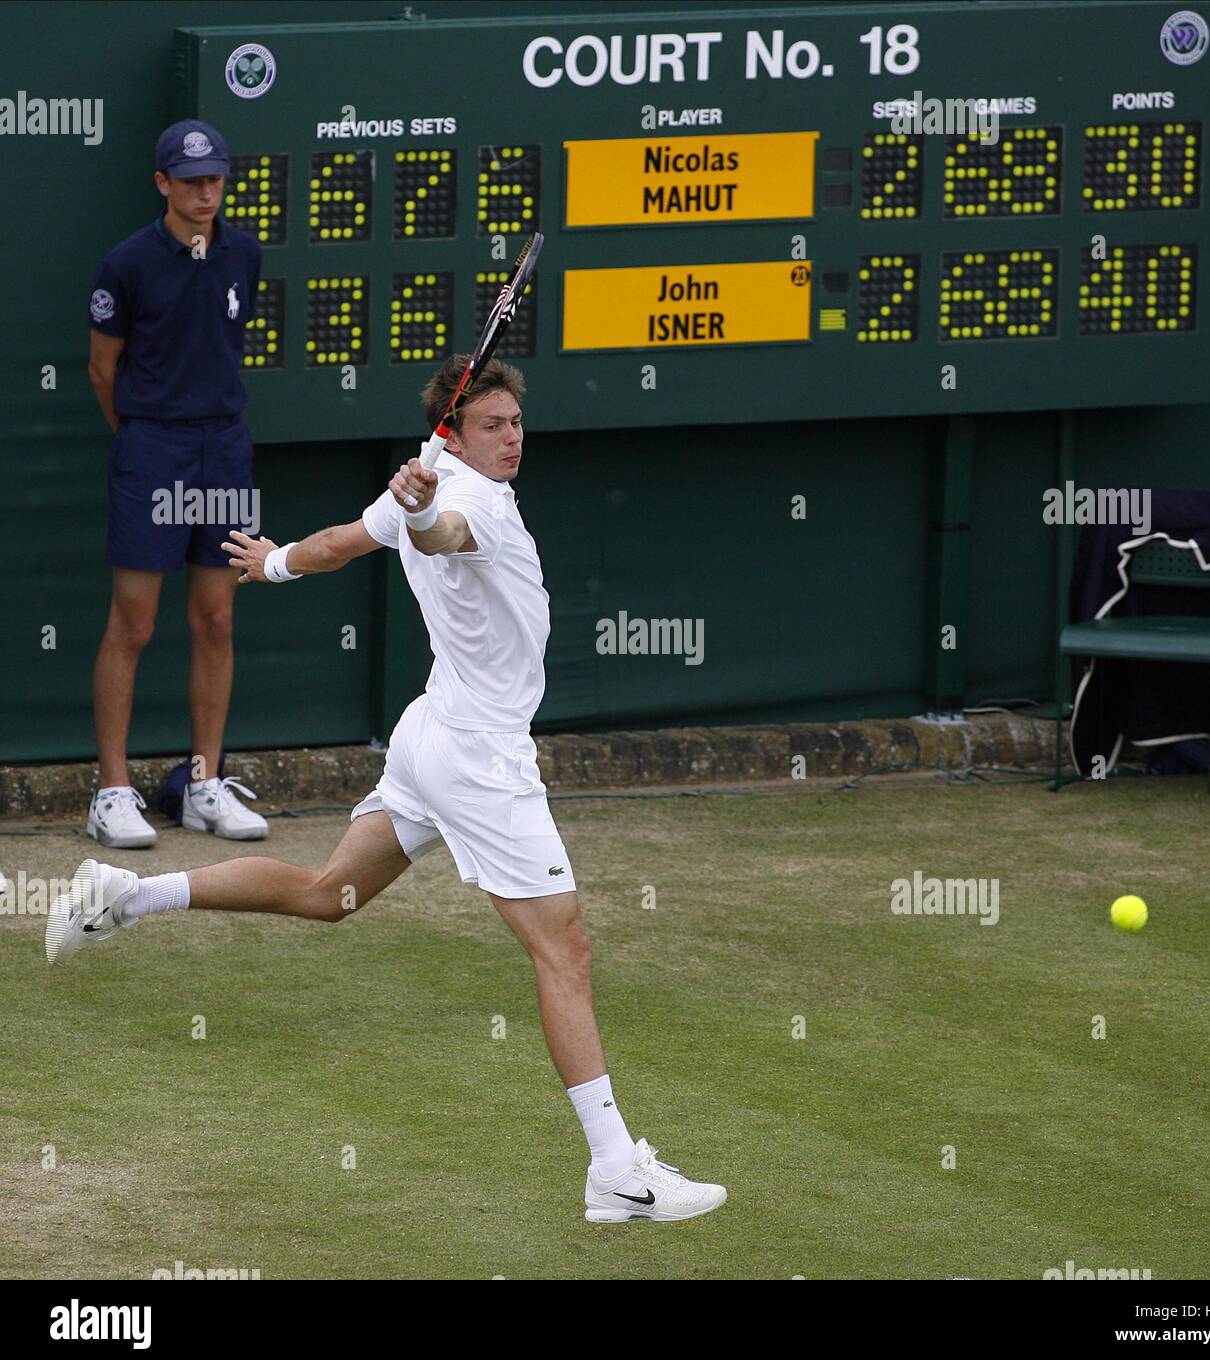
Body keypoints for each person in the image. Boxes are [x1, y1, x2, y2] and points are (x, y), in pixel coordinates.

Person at [46, 356, 727, 1224]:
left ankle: (127, 896)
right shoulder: (462, 502)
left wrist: (278, 561)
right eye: (492, 424)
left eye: (516, 421)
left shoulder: (432, 472)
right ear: (455, 430)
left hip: (429, 736)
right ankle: (615, 1170)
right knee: (567, 952)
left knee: (331, 894)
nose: (512, 436)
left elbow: (342, 543)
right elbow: (446, 534)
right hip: (480, 761)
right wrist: (423, 513)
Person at [86, 118, 268, 850]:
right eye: (190, 180)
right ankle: (111, 792)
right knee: (134, 622)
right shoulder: (125, 264)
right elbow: (104, 369)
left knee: (217, 618)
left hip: (223, 448)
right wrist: (140, 437)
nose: (204, 192)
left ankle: (202, 785)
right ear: (162, 183)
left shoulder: (244, 254)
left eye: (214, 180)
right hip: (151, 447)